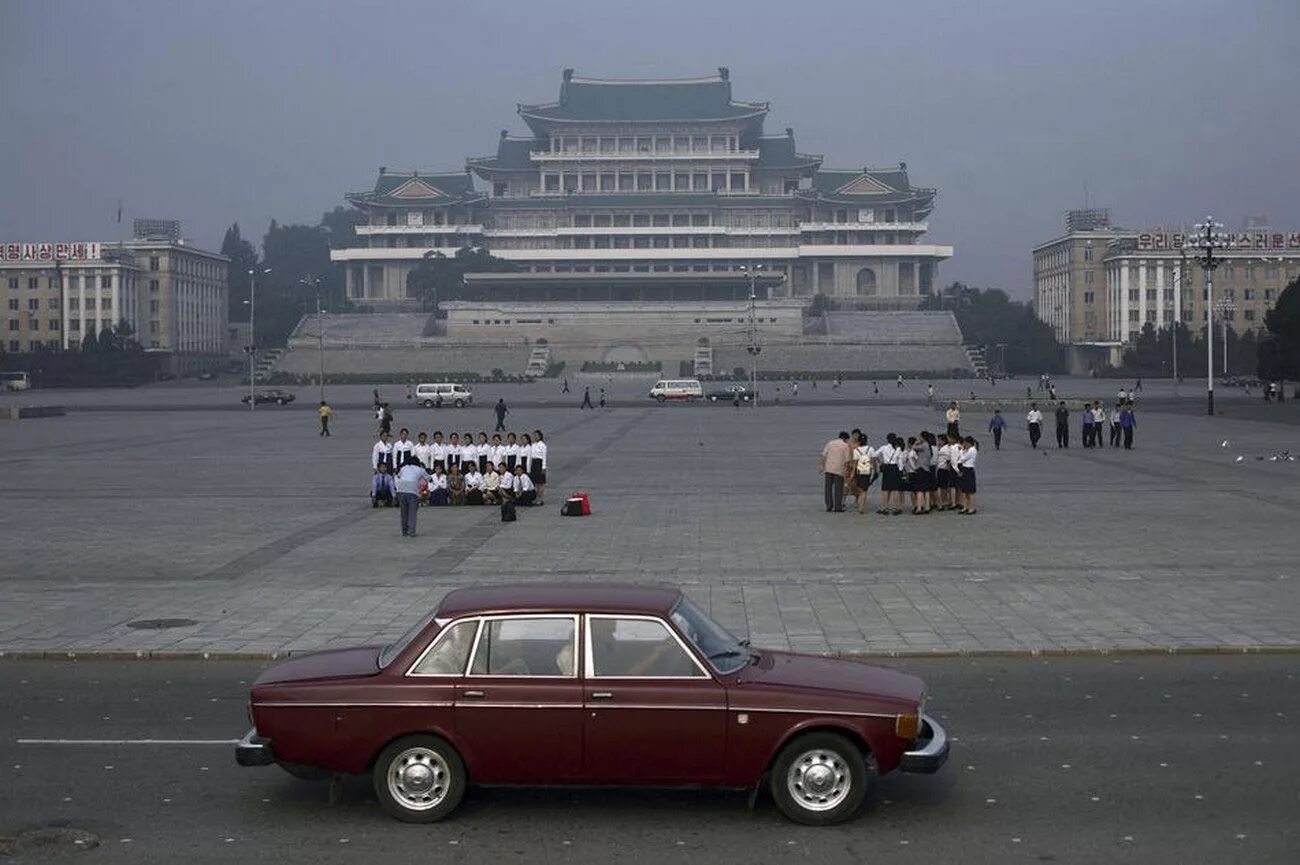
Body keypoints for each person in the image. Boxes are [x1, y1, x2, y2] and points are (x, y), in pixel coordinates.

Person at [394, 458, 431, 536]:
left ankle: (404, 531)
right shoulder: (421, 469)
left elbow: (398, 476)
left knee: (403, 512)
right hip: (412, 491)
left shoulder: (404, 468)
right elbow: (429, 478)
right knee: (412, 512)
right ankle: (411, 531)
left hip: (401, 490)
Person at [818, 431, 852, 513]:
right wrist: (847, 471)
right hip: (839, 470)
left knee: (828, 488)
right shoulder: (845, 446)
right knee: (838, 489)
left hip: (829, 468)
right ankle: (837, 507)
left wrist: (821, 466)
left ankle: (829, 506)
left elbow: (823, 455)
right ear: (846, 439)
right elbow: (847, 460)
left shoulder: (830, 443)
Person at [850, 431, 876, 515]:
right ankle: (861, 507)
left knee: (860, 489)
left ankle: (859, 505)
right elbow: (873, 461)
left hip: (859, 471)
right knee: (865, 490)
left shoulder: (856, 450)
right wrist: (875, 470)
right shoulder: (870, 449)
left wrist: (852, 474)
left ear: (859, 441)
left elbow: (855, 463)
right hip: (867, 471)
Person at [954, 436, 979, 515]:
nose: (963, 444)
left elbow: (962, 459)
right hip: (965, 469)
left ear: (968, 443)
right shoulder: (967, 450)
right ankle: (966, 507)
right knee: (965, 491)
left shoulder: (972, 450)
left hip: (969, 470)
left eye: (964, 443)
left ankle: (971, 508)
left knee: (970, 491)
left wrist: (961, 451)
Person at [530, 430, 548, 505]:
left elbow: (544, 457)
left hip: (539, 463)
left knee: (540, 483)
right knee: (535, 483)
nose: (535, 437)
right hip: (534, 463)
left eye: (537, 435)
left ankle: (540, 499)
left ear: (540, 436)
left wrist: (543, 467)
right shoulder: (533, 445)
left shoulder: (543, 445)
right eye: (534, 435)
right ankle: (536, 497)